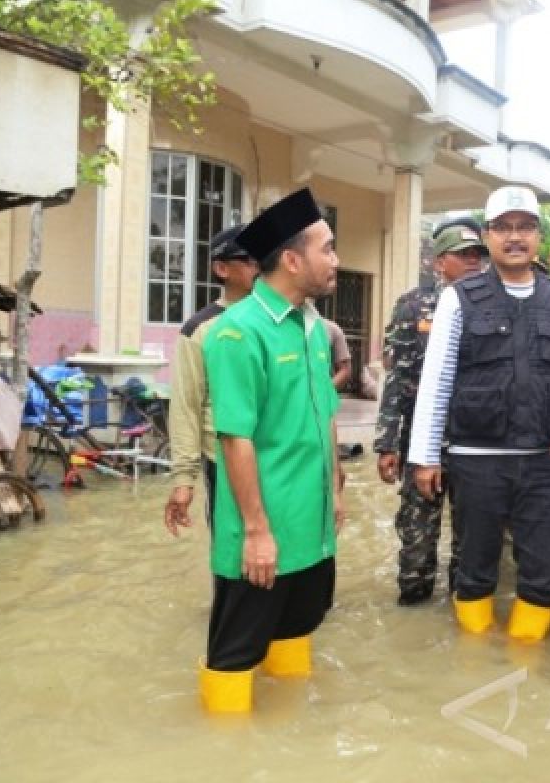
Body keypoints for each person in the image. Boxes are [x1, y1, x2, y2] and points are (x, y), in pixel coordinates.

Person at [408, 185, 550, 642]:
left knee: (544, 574)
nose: (515, 237)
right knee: (474, 569)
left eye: (525, 227)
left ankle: (528, 662)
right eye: (504, 228)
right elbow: (437, 381)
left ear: (538, 237)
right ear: (488, 236)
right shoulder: (459, 297)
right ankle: (474, 663)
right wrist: (426, 456)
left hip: (546, 460)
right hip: (476, 459)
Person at [197, 188, 345, 713]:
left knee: (294, 643)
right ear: (290, 259)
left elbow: (324, 412)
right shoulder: (237, 332)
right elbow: (234, 437)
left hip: (312, 526)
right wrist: (257, 533)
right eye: (326, 248)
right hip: (263, 535)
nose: (335, 260)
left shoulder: (313, 329)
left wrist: (336, 492)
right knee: (235, 660)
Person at [374, 222, 483, 606]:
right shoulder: (413, 305)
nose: (473, 262)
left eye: (477, 255)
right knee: (417, 535)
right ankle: (414, 604)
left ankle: (463, 607)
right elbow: (397, 377)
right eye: (463, 255)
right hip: (423, 439)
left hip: (473, 440)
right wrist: (387, 444)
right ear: (440, 262)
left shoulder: (489, 303)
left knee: (471, 539)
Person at [164, 225, 258, 538]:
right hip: (225, 459)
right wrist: (183, 480)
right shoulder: (201, 329)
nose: (260, 266)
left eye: (264, 258)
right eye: (250, 259)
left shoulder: (284, 323)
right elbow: (186, 405)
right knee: (234, 551)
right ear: (221, 268)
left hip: (278, 456)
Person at [321, 317, 352, 391]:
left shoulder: (330, 329)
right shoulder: (288, 327)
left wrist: (324, 391)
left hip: (322, 398)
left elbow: (345, 370)